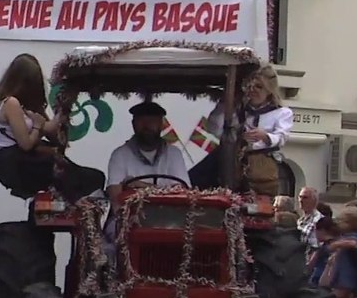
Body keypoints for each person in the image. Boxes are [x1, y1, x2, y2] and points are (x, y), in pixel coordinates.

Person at [193, 65, 293, 197]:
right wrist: (226, 103)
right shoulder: (238, 109)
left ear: (269, 89)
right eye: (249, 86)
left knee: (259, 198)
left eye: (259, 87)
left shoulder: (281, 112)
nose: (253, 90)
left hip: (260, 165)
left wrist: (265, 136)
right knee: (200, 178)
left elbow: (282, 136)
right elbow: (214, 128)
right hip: (233, 162)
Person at [0, 53, 65, 199]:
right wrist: (37, 126)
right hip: (16, 163)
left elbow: (50, 130)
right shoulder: (11, 103)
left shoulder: (28, 105)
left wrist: (62, 110)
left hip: (25, 159)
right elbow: (26, 144)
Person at [105, 101, 190, 204]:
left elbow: (182, 192)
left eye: (152, 121)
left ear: (161, 124)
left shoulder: (174, 153)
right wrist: (161, 190)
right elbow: (116, 198)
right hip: (132, 212)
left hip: (168, 213)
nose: (147, 126)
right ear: (133, 124)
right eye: (141, 121)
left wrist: (143, 186)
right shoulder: (119, 155)